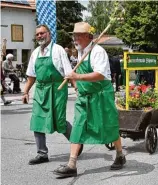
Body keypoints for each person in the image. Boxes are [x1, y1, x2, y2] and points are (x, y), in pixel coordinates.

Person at [53, 22, 126, 178]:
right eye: (74, 35)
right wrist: (78, 86)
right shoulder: (81, 51)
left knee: (109, 125)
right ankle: (72, 164)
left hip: (101, 95)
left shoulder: (97, 51)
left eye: (78, 35)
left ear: (88, 37)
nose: (75, 38)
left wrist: (77, 77)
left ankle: (120, 155)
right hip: (85, 97)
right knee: (78, 127)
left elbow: (100, 74)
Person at [22, 24, 77, 165]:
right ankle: (42, 154)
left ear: (49, 34)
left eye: (42, 33)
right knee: (37, 121)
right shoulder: (35, 53)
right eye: (37, 34)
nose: (40, 36)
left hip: (57, 89)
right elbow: (31, 76)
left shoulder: (58, 50)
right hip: (41, 90)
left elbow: (69, 73)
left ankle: (76, 143)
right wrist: (26, 91)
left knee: (59, 121)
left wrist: (76, 88)